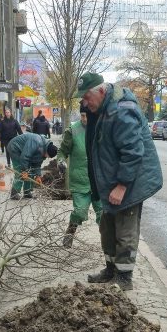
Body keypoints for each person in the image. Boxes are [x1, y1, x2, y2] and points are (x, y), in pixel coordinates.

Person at [76, 72, 163, 291]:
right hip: (111, 181)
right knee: (107, 228)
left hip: (130, 183)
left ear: (102, 91)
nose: (85, 104)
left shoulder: (122, 111)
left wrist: (122, 186)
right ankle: (111, 269)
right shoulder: (102, 108)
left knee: (125, 229)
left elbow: (133, 152)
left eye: (87, 98)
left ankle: (124, 278)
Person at [57, 106, 102, 248]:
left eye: (87, 115)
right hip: (79, 179)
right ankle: (69, 234)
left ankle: (107, 243)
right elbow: (62, 152)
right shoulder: (72, 130)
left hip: (99, 181)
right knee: (79, 211)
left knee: (104, 214)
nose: (85, 119)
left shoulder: (101, 128)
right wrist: (61, 161)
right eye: (82, 115)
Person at [7, 131, 57, 199]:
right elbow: (24, 157)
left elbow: (37, 163)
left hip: (25, 153)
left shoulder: (43, 149)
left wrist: (38, 175)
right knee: (20, 171)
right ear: (47, 151)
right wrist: (24, 171)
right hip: (15, 148)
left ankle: (27, 192)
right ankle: (14, 193)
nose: (47, 157)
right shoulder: (35, 141)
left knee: (31, 171)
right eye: (47, 156)